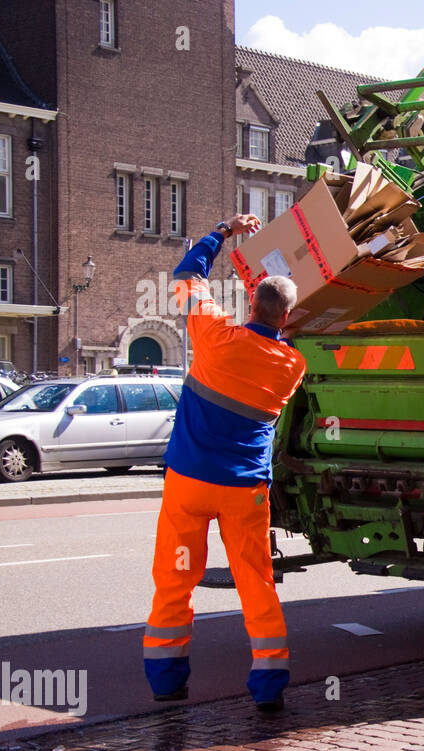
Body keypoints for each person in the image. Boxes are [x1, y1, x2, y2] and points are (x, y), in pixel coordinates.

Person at [143, 214, 308, 712]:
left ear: (249, 302)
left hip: (188, 482)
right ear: (286, 318)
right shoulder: (291, 367)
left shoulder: (213, 335)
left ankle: (166, 679)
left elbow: (186, 279)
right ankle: (268, 684)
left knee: (176, 576)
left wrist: (222, 232)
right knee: (254, 581)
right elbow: (280, 332)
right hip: (244, 491)